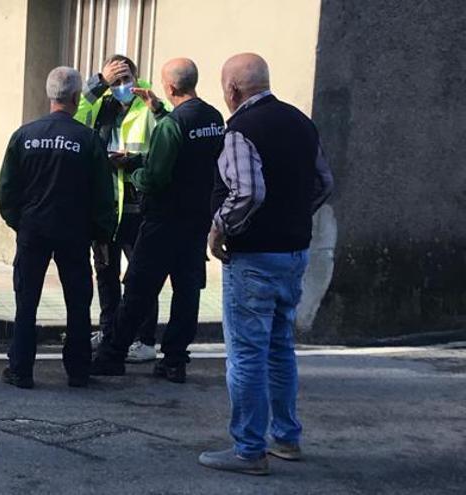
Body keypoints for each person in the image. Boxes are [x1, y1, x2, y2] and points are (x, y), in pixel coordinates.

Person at [197, 53, 333, 475]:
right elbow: (323, 183)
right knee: (279, 348)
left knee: (246, 354)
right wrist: (292, 215)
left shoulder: (240, 129)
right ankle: (287, 439)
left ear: (233, 91)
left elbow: (248, 193)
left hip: (253, 256)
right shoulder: (300, 122)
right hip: (293, 253)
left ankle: (249, 449)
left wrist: (220, 228)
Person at [90, 58, 225, 383]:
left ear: (170, 86)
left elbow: (156, 176)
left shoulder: (172, 126)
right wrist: (160, 111)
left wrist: (134, 171)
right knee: (187, 291)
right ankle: (175, 360)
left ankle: (113, 354)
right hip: (197, 220)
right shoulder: (213, 117)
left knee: (138, 289)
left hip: (164, 220)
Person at [0, 66, 115, 389]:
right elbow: (104, 194)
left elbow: (7, 190)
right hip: (74, 232)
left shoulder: (24, 136)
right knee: (78, 302)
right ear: (77, 98)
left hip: (33, 229)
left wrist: (18, 222)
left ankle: (20, 369)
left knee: (27, 300)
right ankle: (78, 370)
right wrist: (102, 235)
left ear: (50, 96)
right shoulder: (87, 139)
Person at [74, 55, 163, 363]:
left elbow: (164, 147)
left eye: (127, 79)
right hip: (107, 205)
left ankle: (145, 338)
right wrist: (98, 82)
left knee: (141, 274)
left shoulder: (149, 104)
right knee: (105, 271)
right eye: (116, 81)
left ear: (136, 79)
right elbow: (75, 117)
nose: (122, 86)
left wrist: (133, 161)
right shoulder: (103, 102)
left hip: (138, 205)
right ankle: (109, 330)